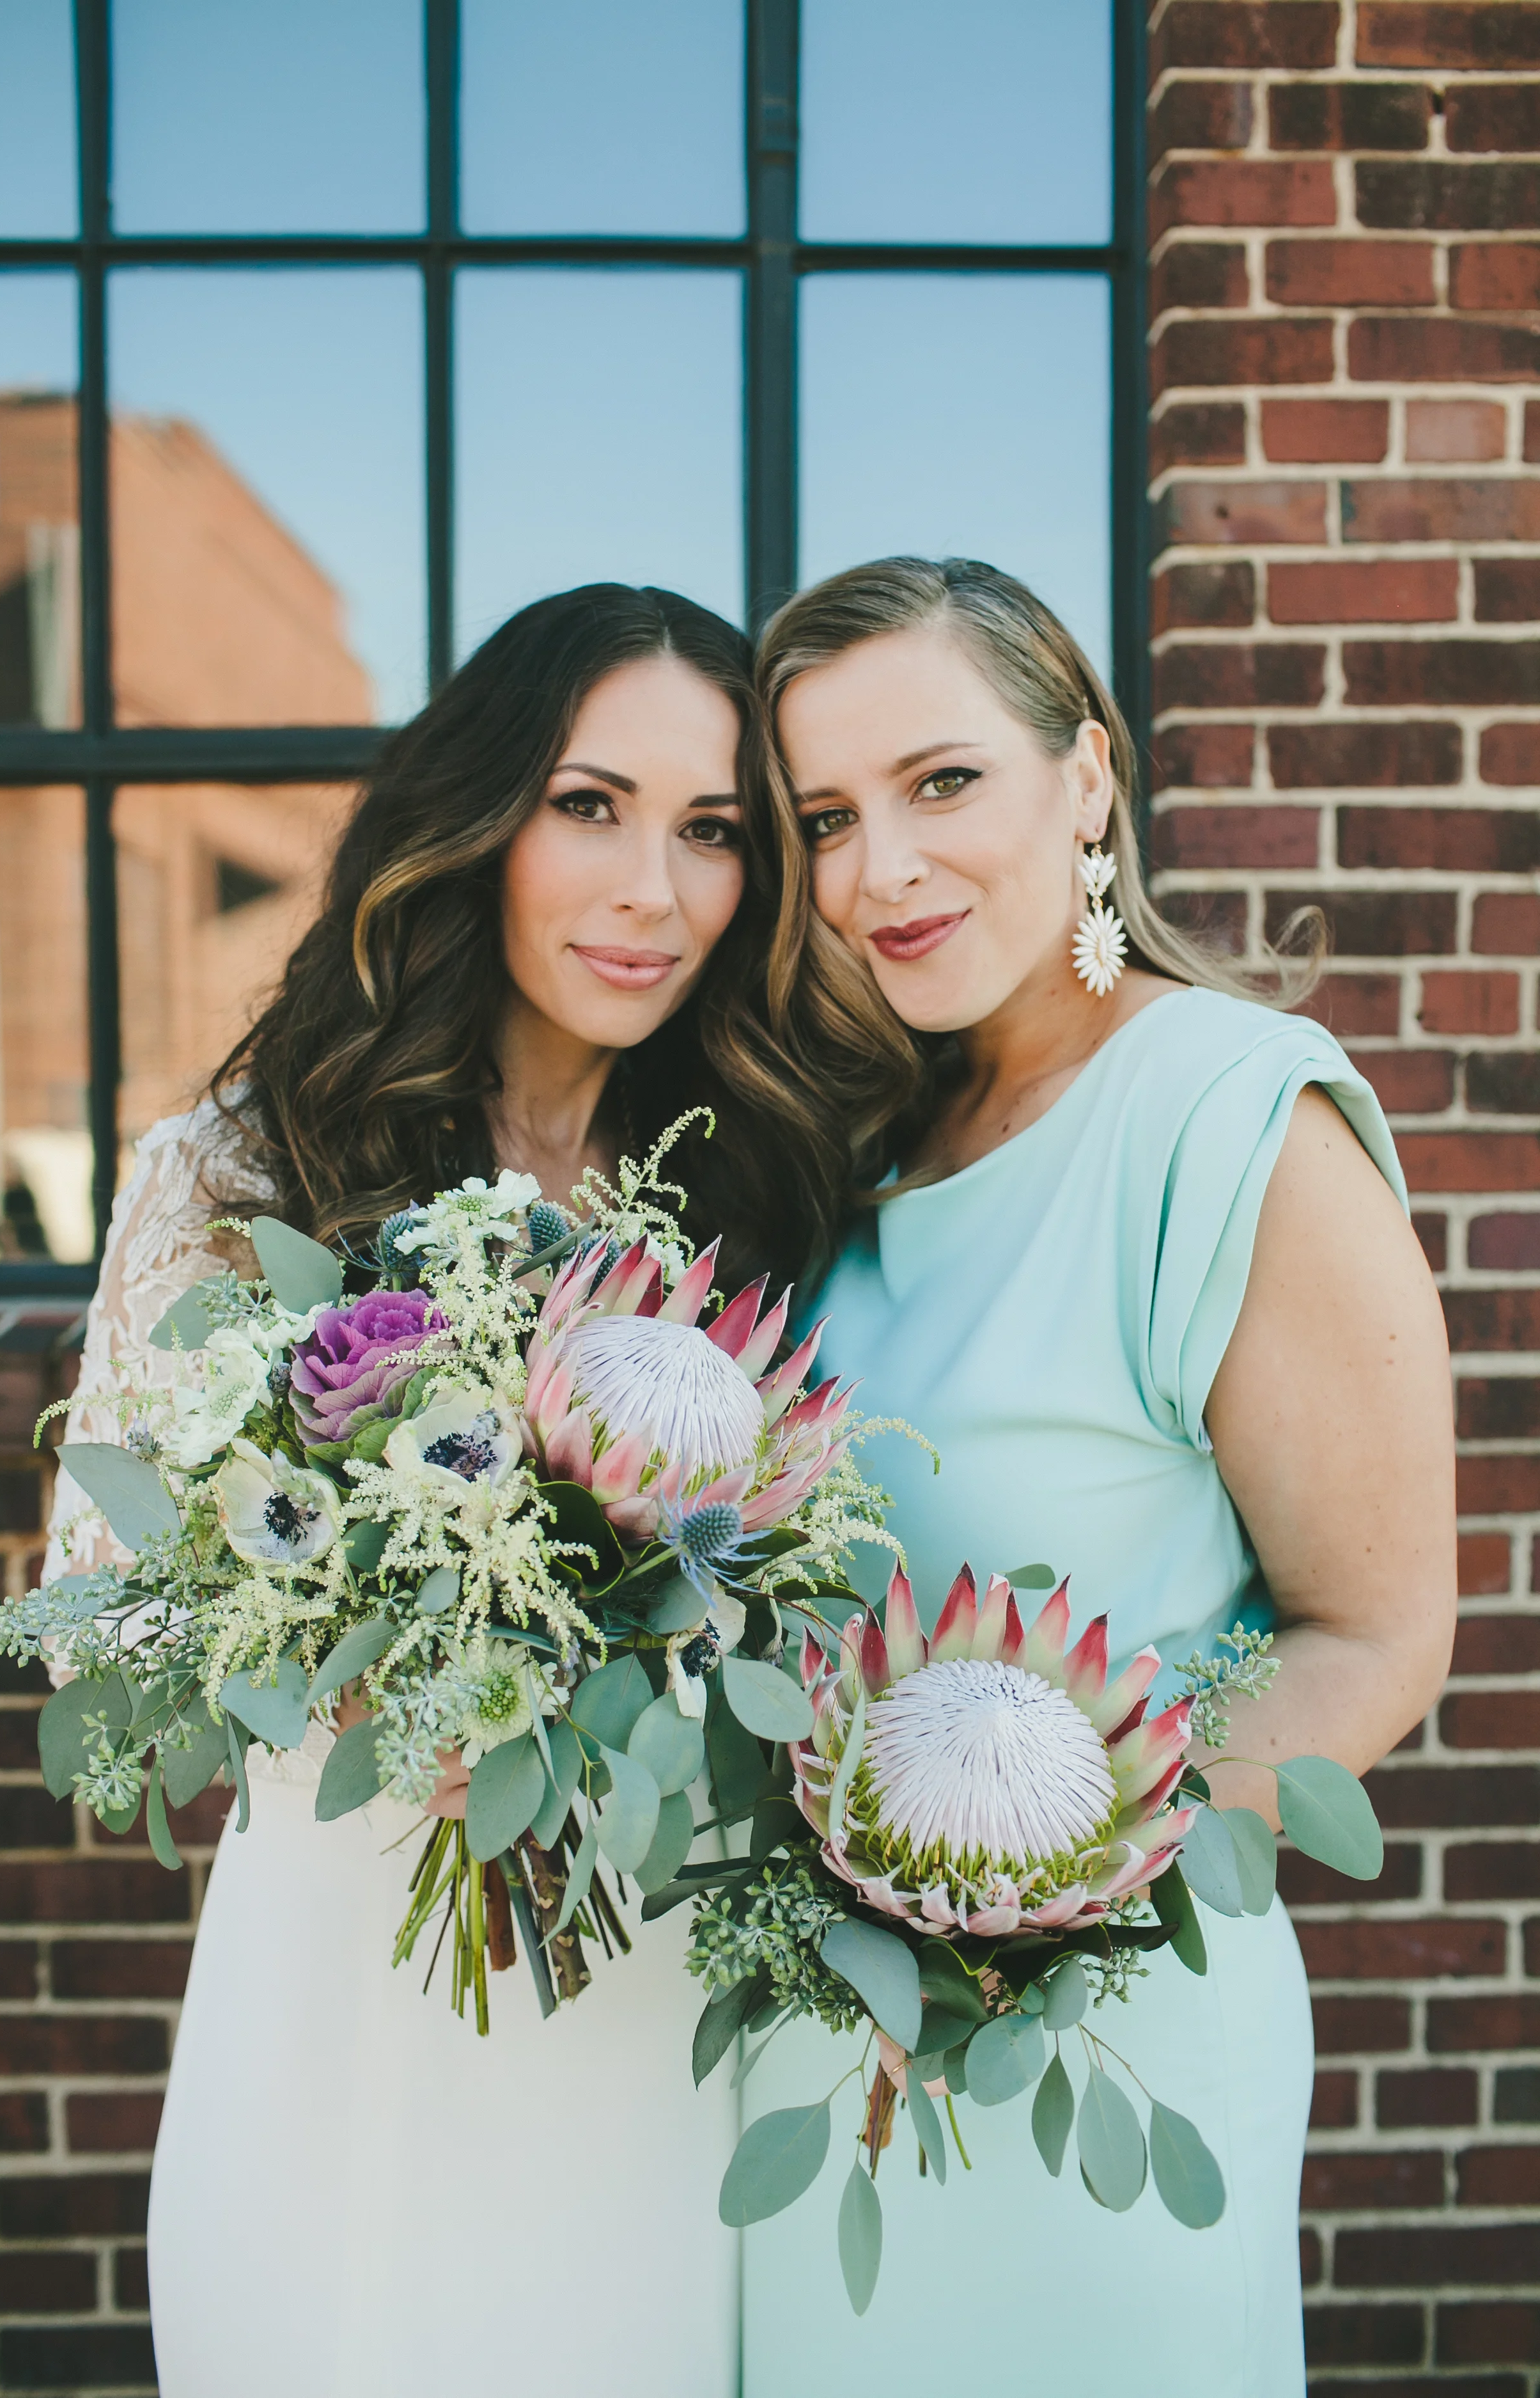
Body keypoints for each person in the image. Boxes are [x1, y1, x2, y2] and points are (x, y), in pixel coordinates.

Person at [43, 583, 838, 2396]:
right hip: (358, 2005)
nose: (655, 891)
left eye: (713, 830)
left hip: (655, 2017)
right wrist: (382, 1673)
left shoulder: (758, 1190)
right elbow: (102, 1612)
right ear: (476, 816)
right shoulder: (253, 1164)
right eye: (590, 806)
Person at [738, 557, 1456, 2395]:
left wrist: (1019, 1892)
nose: (881, 869)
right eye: (825, 819)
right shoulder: (856, 1145)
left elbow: (1375, 1637)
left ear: (1088, 777)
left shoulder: (1232, 1116)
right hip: (815, 2061)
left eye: (941, 781)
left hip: (1091, 2049)